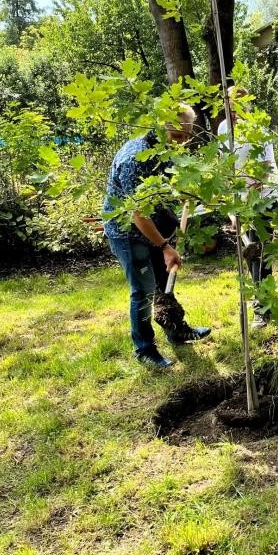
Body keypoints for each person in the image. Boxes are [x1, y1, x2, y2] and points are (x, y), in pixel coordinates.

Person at [103, 106, 211, 369]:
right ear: (162, 129)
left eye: (187, 135)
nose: (183, 141)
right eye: (178, 135)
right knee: (143, 290)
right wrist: (164, 246)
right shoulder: (135, 159)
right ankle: (145, 349)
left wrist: (183, 193)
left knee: (165, 283)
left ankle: (176, 330)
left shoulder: (166, 151)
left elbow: (168, 186)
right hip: (128, 232)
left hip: (154, 227)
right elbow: (138, 215)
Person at [218, 87, 278, 329]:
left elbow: (265, 169)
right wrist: (232, 210)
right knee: (250, 252)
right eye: (231, 109)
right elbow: (225, 170)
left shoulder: (258, 130)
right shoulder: (223, 129)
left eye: (239, 108)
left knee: (260, 252)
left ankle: (261, 308)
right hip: (240, 200)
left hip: (263, 197)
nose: (235, 114)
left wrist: (247, 204)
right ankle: (260, 300)